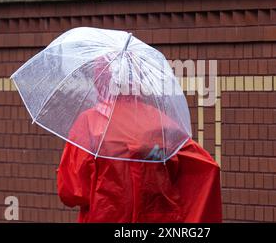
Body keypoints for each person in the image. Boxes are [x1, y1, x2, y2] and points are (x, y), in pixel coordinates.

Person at [56, 54, 222, 222]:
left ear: (101, 80)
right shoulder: (160, 122)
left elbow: (72, 192)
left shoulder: (90, 124)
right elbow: (203, 167)